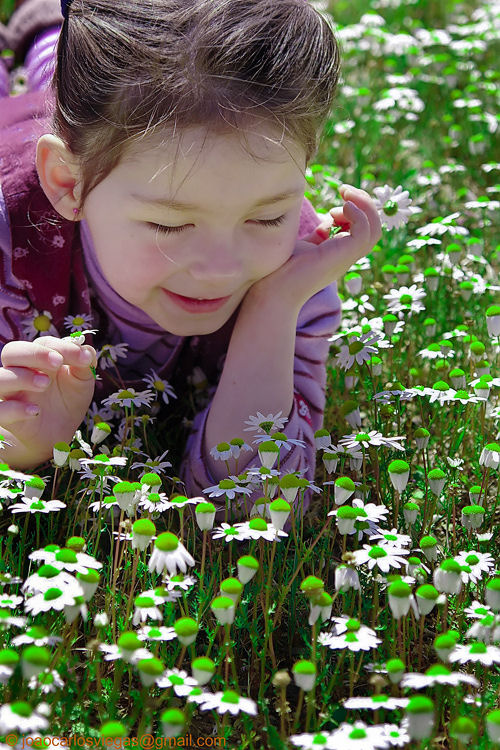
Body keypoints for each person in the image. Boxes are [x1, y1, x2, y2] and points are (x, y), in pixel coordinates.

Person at [0, 0, 381, 520]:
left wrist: (274, 307)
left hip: (93, 130)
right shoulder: (9, 242)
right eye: (170, 225)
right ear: (70, 184)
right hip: (18, 137)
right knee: (44, 87)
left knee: (59, 84)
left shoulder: (296, 266)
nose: (220, 269)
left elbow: (260, 506)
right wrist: (22, 450)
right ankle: (47, 24)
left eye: (266, 218)